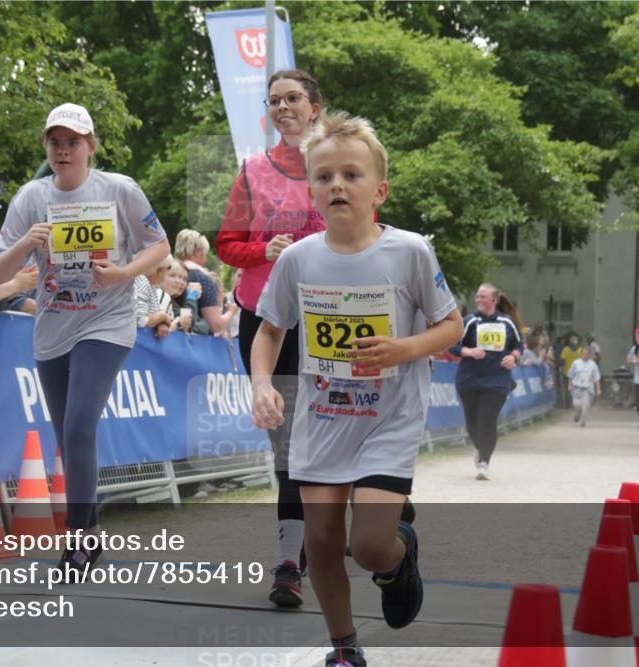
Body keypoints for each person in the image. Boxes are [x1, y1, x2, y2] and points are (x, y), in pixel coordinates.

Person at [251, 112, 462, 667]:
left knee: (367, 546)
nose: (337, 185)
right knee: (319, 541)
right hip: (321, 420)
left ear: (380, 190)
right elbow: (270, 330)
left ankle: (397, 559)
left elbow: (451, 324)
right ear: (312, 192)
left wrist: (404, 349)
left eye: (351, 174)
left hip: (387, 420)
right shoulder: (298, 260)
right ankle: (344, 647)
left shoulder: (409, 251)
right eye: (323, 177)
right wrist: (261, 385)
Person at [0, 102, 170, 574]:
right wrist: (26, 243)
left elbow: (160, 245)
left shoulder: (118, 189)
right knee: (65, 435)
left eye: (73, 142)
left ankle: (76, 538)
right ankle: (88, 533)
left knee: (78, 426)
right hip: (52, 326)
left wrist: (124, 274)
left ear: (90, 146)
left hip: (106, 323)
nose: (63, 150)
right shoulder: (31, 197)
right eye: (55, 142)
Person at [215, 68, 328, 608]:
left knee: (316, 438)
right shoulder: (253, 171)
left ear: (315, 108)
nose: (282, 108)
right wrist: (264, 251)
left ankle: (303, 545)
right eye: (274, 101)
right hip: (262, 318)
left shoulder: (335, 165)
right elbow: (226, 244)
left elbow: (364, 230)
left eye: (292, 99)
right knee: (285, 440)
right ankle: (290, 559)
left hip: (326, 318)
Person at [450, 283, 524, 481]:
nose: (478, 300)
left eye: (483, 297)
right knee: (472, 423)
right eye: (477, 297)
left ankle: (484, 462)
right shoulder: (469, 321)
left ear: (494, 299)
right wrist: (469, 351)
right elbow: (453, 345)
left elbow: (518, 345)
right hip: (469, 379)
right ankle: (480, 448)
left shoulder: (507, 322)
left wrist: (513, 358)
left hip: (497, 380)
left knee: (487, 420)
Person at [174, 229, 224, 334]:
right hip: (195, 342)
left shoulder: (165, 272)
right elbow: (215, 325)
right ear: (198, 252)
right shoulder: (203, 278)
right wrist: (232, 311)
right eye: (205, 254)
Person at [159, 259, 207, 334]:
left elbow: (204, 326)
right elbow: (189, 325)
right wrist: (191, 298)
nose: (180, 282)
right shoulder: (157, 297)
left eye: (184, 279)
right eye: (172, 275)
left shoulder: (173, 302)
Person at [133, 253, 173, 337]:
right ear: (160, 270)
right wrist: (163, 316)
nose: (168, 271)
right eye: (168, 267)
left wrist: (160, 323)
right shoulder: (141, 281)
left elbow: (154, 315)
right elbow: (140, 321)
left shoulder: (150, 286)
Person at [568, 347, 601, 427]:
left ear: (589, 355)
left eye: (587, 354)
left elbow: (596, 378)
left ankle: (583, 422)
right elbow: (571, 376)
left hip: (587, 389)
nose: (585, 356)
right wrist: (569, 385)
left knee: (585, 406)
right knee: (576, 405)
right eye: (584, 354)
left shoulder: (593, 364)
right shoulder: (576, 363)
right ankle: (578, 414)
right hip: (577, 388)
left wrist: (598, 389)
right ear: (581, 354)